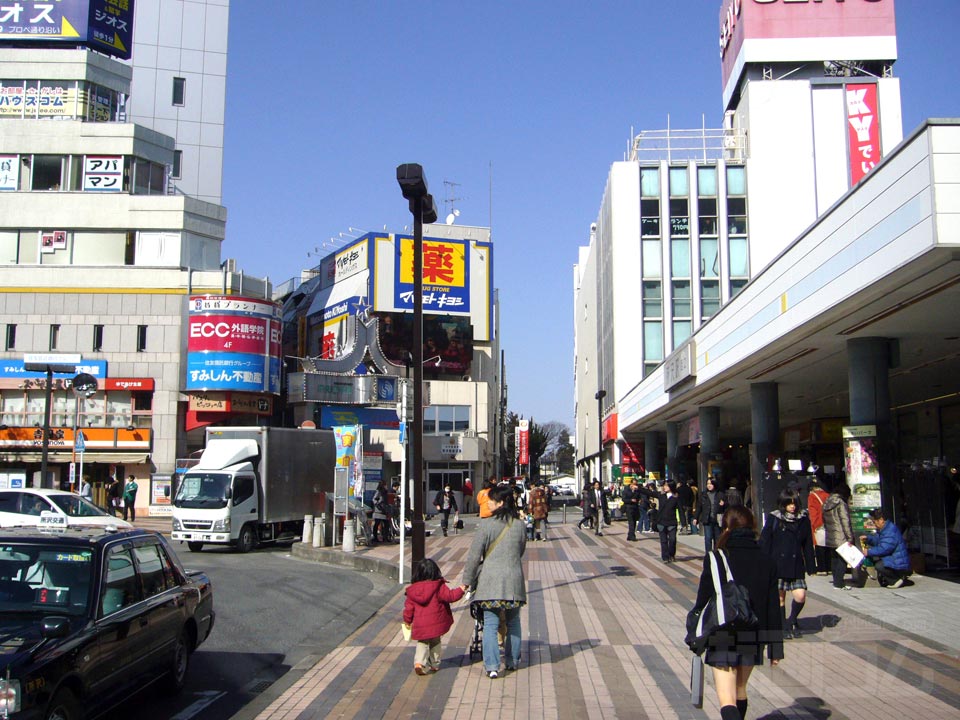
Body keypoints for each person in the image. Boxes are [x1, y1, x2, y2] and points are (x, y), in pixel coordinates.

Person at [691, 505, 783, 720]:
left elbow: (702, 600)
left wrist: (694, 632)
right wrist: (776, 648)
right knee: (740, 691)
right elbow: (774, 606)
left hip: (722, 630)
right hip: (753, 632)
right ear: (752, 527)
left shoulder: (716, 558)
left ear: (726, 528)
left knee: (727, 699)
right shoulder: (767, 560)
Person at [462, 484, 527, 679]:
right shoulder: (519, 525)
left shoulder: (486, 525)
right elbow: (520, 551)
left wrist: (466, 581)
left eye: (491, 499)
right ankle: (513, 661)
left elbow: (474, 556)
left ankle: (492, 665)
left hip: (490, 581)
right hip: (514, 581)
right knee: (514, 621)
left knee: (490, 623)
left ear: (500, 503)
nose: (487, 502)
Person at [759, 490, 815, 639]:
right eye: (789, 503)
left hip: (796, 564)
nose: (792, 507)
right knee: (780, 598)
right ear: (783, 504)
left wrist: (811, 565)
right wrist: (763, 562)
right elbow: (765, 541)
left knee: (800, 595)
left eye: (794, 503)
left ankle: (793, 619)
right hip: (777, 563)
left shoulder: (803, 519)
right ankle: (782, 625)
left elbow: (808, 543)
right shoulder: (774, 518)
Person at [402, 558, 466, 675]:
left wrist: (407, 621)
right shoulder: (438, 586)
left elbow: (409, 609)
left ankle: (419, 663)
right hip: (436, 623)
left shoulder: (413, 590)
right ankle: (435, 664)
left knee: (422, 643)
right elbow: (450, 596)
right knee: (436, 642)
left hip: (421, 625)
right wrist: (461, 589)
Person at [861, 508, 911, 588]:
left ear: (881, 520)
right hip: (894, 558)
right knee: (878, 562)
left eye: (875, 522)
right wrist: (868, 539)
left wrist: (869, 552)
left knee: (879, 565)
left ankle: (896, 580)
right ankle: (892, 578)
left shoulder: (890, 531)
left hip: (899, 562)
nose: (874, 524)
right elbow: (878, 541)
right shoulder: (884, 529)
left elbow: (885, 548)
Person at [638, 480, 681, 562]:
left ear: (671, 487)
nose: (664, 487)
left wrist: (683, 522)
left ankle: (671, 554)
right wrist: (639, 488)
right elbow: (650, 493)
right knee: (663, 541)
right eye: (664, 485)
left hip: (672, 522)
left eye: (666, 485)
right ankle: (665, 557)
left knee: (672, 540)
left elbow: (681, 510)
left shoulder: (676, 497)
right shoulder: (661, 495)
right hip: (661, 521)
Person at [822, 484, 855, 590]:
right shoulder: (841, 503)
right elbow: (845, 521)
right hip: (841, 535)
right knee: (842, 559)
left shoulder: (827, 502)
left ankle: (836, 581)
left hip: (831, 535)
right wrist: (850, 537)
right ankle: (839, 583)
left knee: (834, 558)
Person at [694, 476, 723, 553]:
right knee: (708, 538)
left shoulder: (720, 494)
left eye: (711, 484)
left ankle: (717, 554)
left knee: (717, 538)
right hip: (707, 519)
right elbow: (699, 507)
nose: (709, 485)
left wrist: (723, 504)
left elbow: (726, 507)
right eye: (708, 484)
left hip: (717, 520)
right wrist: (695, 518)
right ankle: (709, 555)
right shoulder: (703, 495)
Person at [807, 480, 831, 574]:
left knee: (819, 547)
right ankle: (829, 568)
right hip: (828, 524)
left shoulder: (812, 496)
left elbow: (813, 512)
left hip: (819, 524)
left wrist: (814, 525)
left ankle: (822, 569)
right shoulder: (827, 495)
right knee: (828, 547)